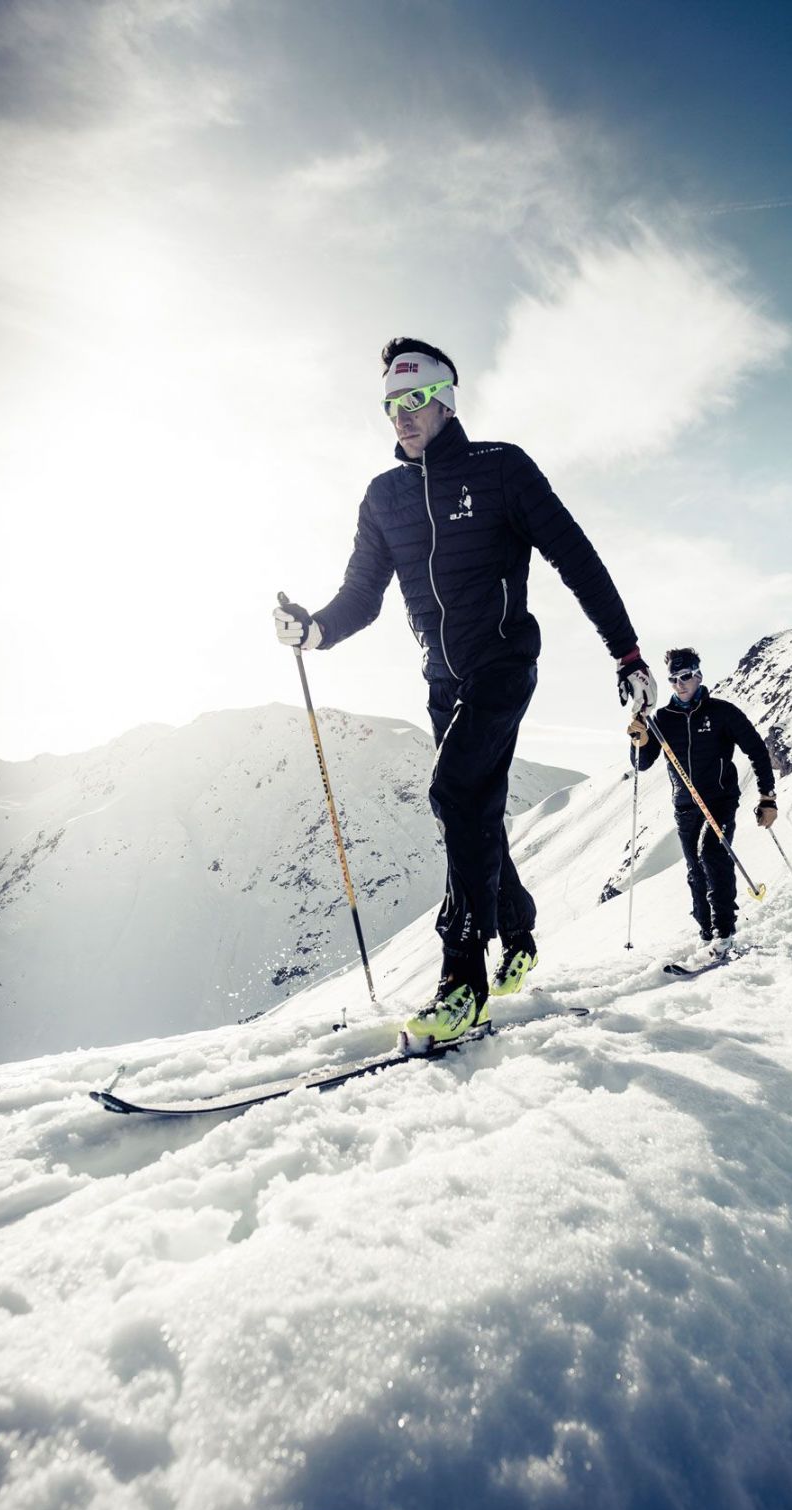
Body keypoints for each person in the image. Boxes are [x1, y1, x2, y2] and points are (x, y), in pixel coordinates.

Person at [274, 336, 653, 1044]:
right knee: (473, 810)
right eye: (391, 404)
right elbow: (362, 595)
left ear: (446, 401)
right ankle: (519, 931)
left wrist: (625, 653)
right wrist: (314, 631)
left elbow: (576, 558)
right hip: (442, 681)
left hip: (503, 663)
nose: (402, 415)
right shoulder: (383, 497)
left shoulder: (501, 468)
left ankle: (462, 984)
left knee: (454, 793)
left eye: (415, 399)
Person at [632, 647, 777, 957]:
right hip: (685, 804)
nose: (679, 684)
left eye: (685, 676)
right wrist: (639, 739)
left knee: (712, 853)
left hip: (720, 799)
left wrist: (767, 797)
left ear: (698, 675)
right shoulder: (662, 719)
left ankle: (724, 933)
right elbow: (642, 763)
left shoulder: (722, 712)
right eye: (673, 679)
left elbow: (756, 750)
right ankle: (706, 932)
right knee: (695, 868)